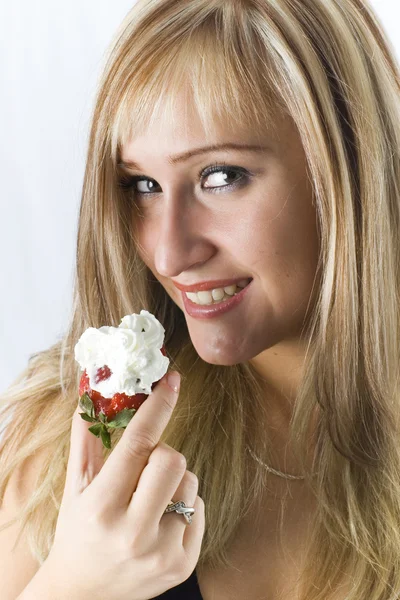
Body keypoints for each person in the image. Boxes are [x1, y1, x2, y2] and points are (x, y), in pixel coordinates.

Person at [1, 0, 400, 598]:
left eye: (221, 177)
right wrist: (73, 585)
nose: (168, 254)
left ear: (347, 166)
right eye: (143, 185)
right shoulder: (66, 446)